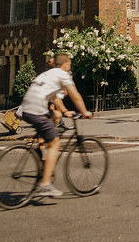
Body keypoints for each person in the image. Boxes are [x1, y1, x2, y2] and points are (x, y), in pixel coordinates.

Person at [19, 53, 92, 197]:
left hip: (25, 109)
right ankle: (45, 185)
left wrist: (64, 111)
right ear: (65, 64)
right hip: (37, 111)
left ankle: (41, 158)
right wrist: (84, 112)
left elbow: (54, 98)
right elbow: (75, 95)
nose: (70, 66)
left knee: (51, 123)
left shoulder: (47, 74)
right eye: (69, 64)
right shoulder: (63, 74)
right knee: (55, 144)